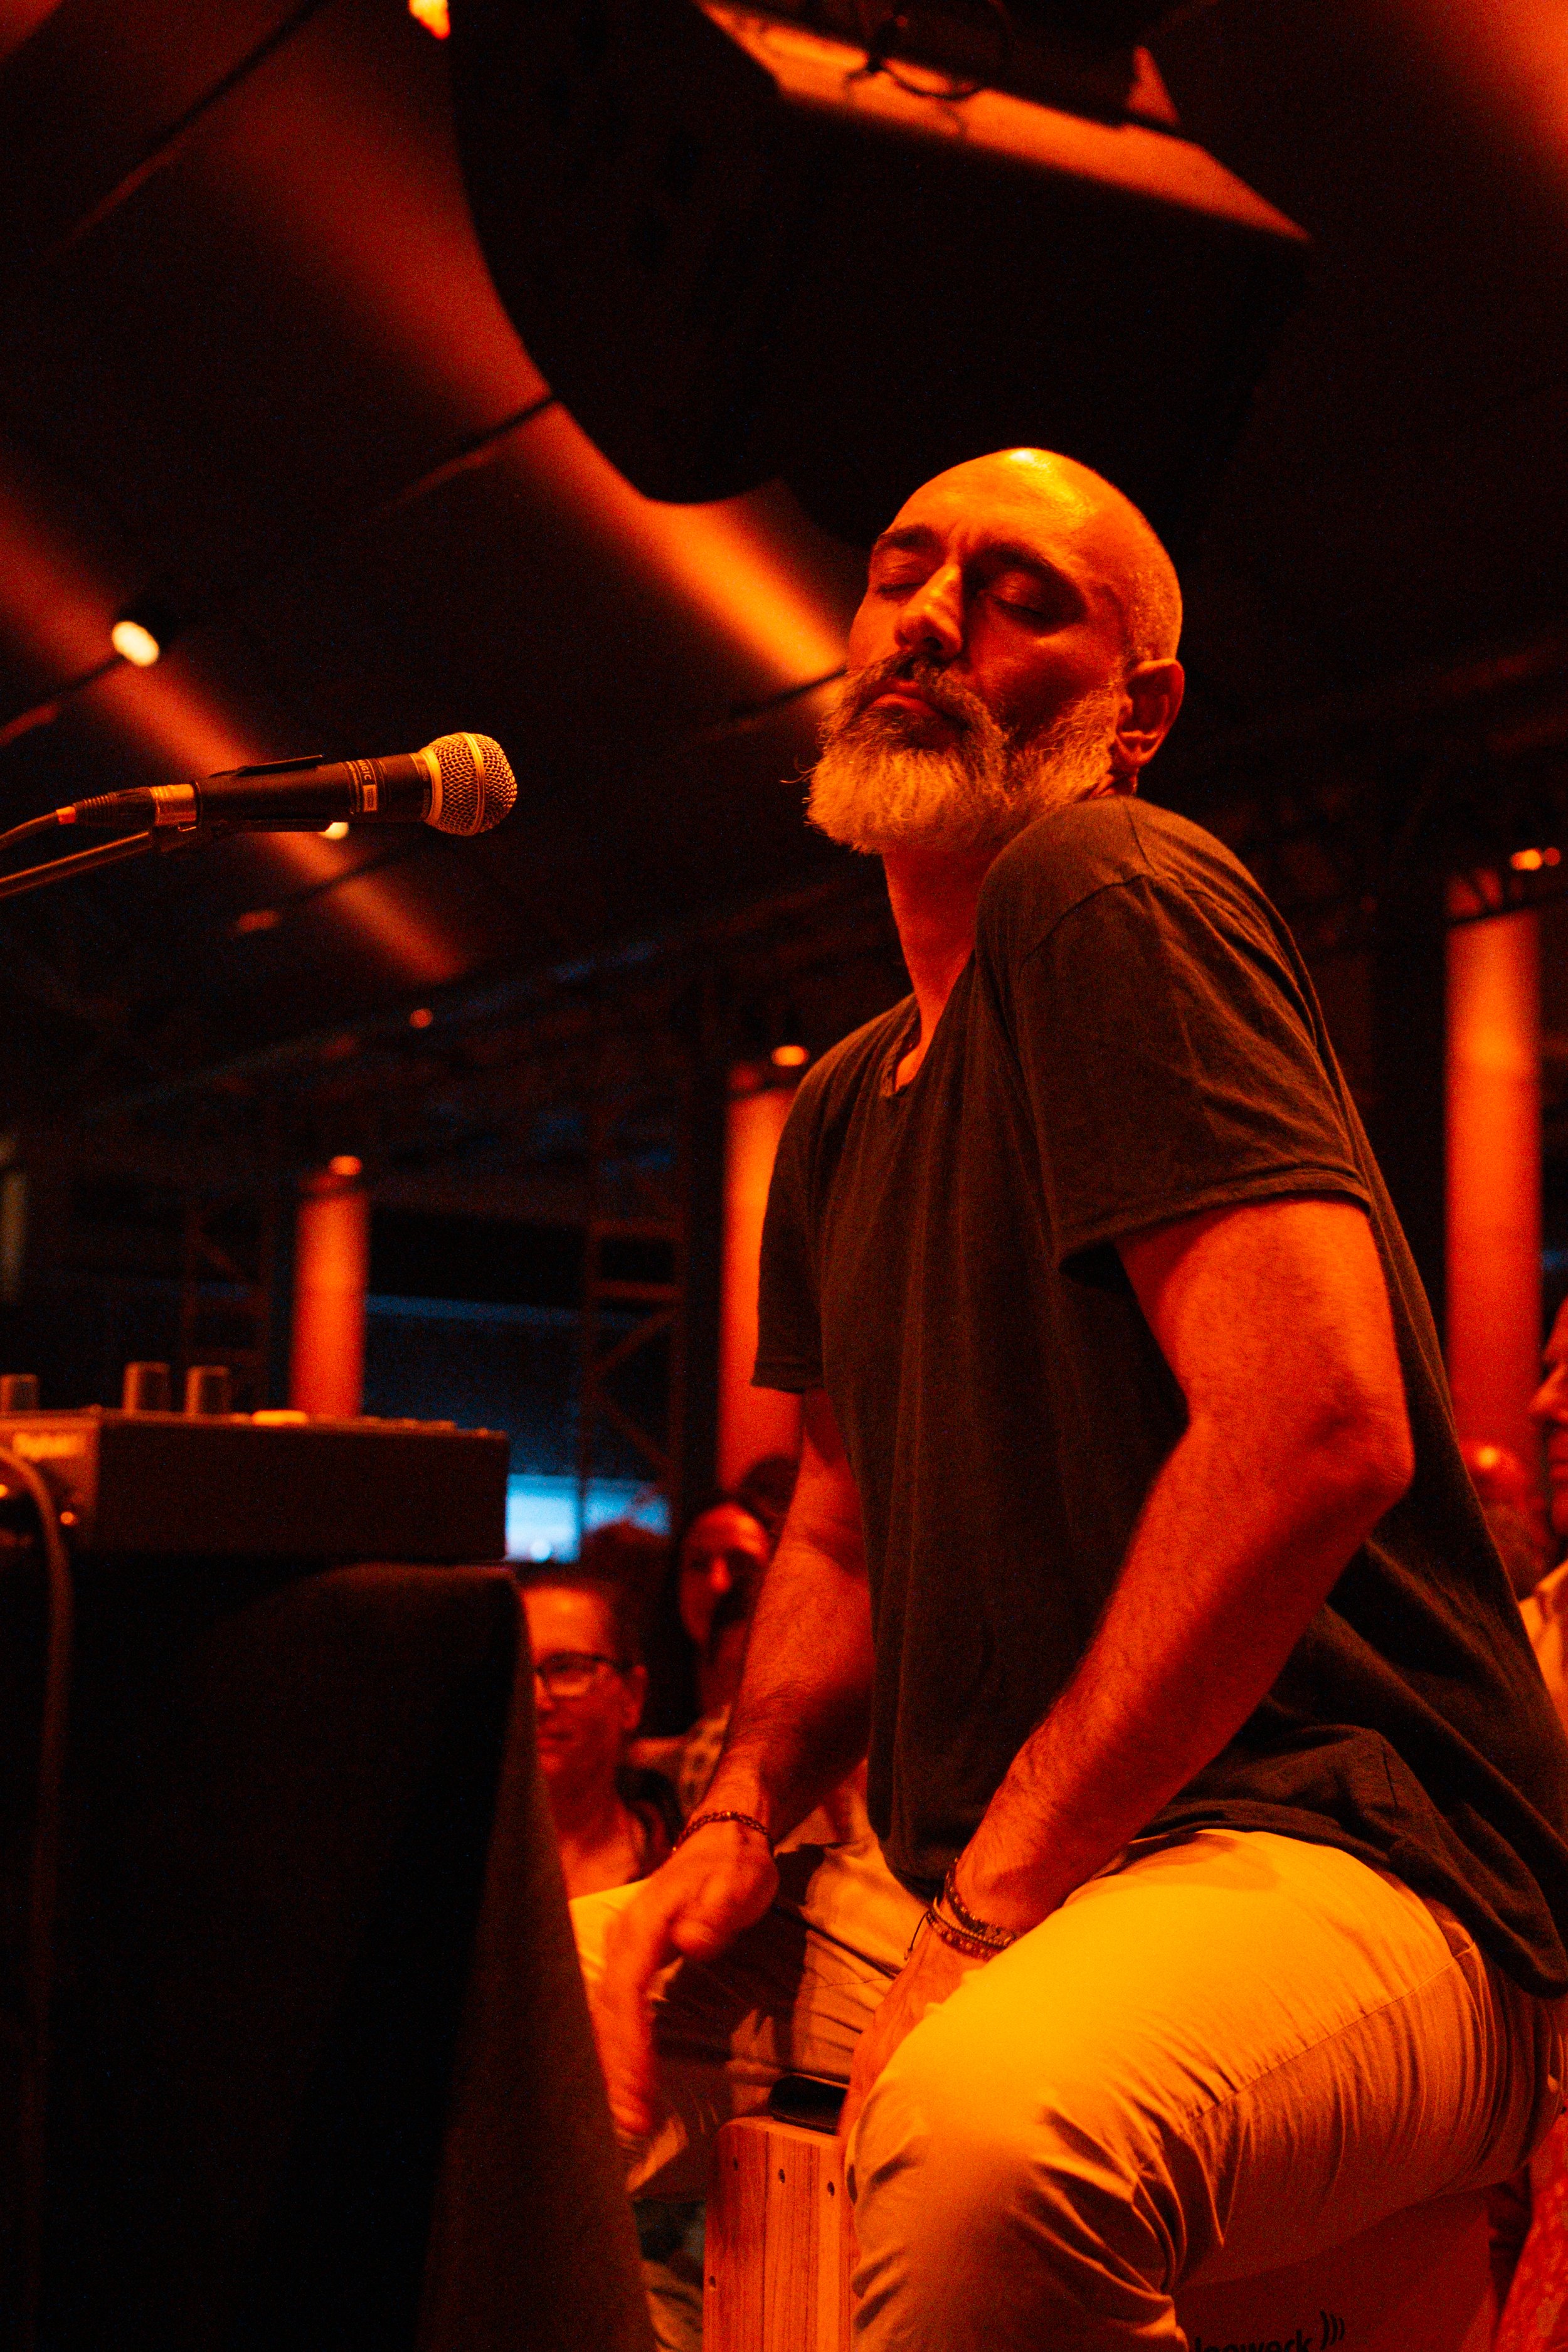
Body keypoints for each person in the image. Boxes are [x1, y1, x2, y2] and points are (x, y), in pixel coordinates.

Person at [576, 448, 1568, 2352]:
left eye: (1022, 595)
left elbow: (1318, 1424)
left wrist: (978, 1915)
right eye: (900, 572)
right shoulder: (847, 1104)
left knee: (993, 2140)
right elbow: (837, 1533)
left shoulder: (1101, 880)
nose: (931, 618)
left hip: (1359, 1852)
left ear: (1143, 709)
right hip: (1053, 1885)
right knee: (532, 2000)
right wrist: (732, 1816)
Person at [520, 1572, 678, 1897]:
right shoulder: (444, 1866)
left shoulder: (683, 1868)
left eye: (566, 1668)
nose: (536, 1699)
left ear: (631, 1696)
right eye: (516, 1670)